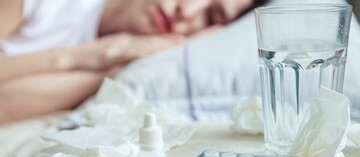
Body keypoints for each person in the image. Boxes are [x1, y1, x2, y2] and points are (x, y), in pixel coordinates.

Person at [0, 0, 261, 124]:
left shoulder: (122, 65)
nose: (187, 11)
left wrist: (115, 64)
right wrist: (79, 56)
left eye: (211, 16)